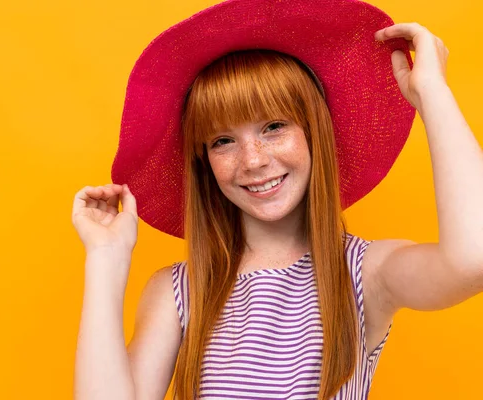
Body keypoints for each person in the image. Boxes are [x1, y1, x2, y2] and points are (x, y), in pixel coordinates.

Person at [72, 0, 483, 399]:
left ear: (313, 130)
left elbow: (473, 260)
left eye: (273, 126)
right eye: (223, 140)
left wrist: (432, 92)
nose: (252, 161)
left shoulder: (364, 274)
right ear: (204, 161)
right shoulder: (179, 291)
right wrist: (106, 258)